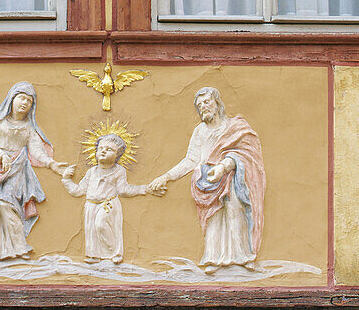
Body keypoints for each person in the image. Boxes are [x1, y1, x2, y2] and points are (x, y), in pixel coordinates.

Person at [149, 87, 265, 273]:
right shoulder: (200, 132)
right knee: (213, 217)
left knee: (235, 212)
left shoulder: (235, 127)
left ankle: (244, 256)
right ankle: (213, 258)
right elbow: (190, 160)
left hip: (232, 179)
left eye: (207, 102)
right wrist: (166, 177)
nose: (203, 107)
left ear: (218, 103)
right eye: (199, 105)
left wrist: (225, 166)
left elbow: (247, 153)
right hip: (206, 181)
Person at [0, 81, 67, 262]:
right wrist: (0, 155)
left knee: (8, 206)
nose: (24, 103)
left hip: (16, 169)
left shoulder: (28, 128)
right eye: (21, 98)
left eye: (29, 101)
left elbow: (37, 150)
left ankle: (19, 248)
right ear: (11, 99)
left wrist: (52, 164)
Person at [61, 133, 164, 264]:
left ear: (118, 156)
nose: (103, 151)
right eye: (101, 148)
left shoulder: (118, 171)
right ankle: (94, 255)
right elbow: (78, 191)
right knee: (91, 230)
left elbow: (124, 190)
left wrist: (145, 189)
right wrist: (66, 179)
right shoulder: (91, 172)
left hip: (108, 205)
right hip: (91, 205)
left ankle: (113, 253)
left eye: (109, 149)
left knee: (101, 225)